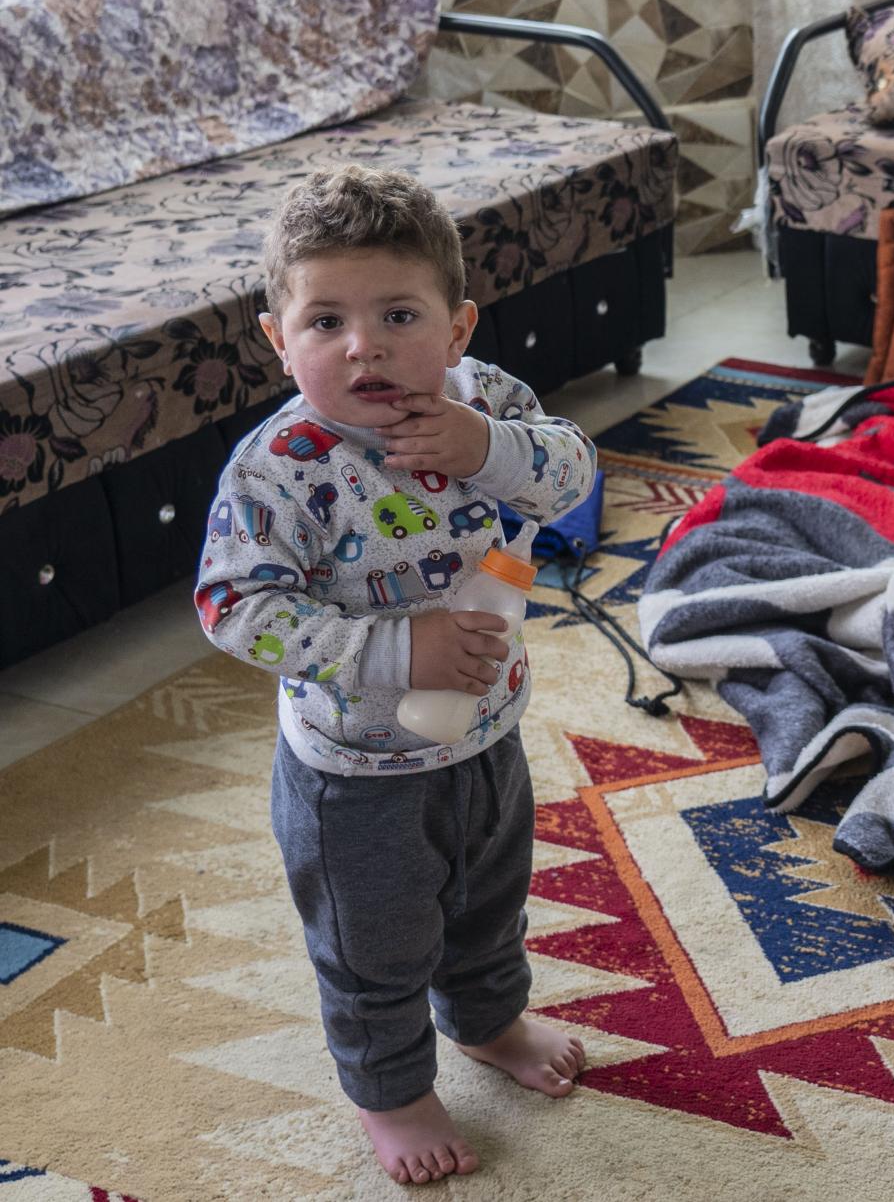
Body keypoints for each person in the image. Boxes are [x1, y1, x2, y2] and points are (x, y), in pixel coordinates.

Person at [196, 167, 598, 1186]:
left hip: (488, 733)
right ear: (276, 340)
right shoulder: (277, 467)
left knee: (488, 901)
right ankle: (394, 1091)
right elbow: (233, 606)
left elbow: (570, 475)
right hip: (354, 772)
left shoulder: (487, 401)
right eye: (324, 320)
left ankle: (488, 1021)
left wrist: (489, 449)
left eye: (397, 314)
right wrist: (395, 651)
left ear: (457, 330)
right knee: (373, 941)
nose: (362, 344)